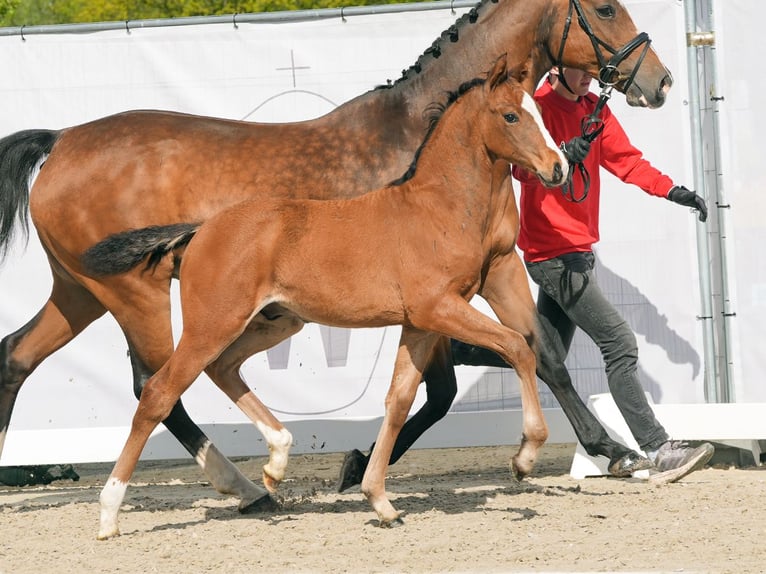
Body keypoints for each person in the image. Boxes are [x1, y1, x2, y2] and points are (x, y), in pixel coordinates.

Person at [508, 67, 714, 483]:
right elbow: (520, 170)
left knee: (541, 356)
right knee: (619, 341)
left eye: (591, 71)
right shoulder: (539, 108)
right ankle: (658, 447)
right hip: (553, 257)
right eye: (579, 71)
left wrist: (673, 191)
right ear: (557, 68)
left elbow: (628, 162)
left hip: (578, 253)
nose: (588, 78)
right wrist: (563, 153)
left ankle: (453, 351)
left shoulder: (592, 111)